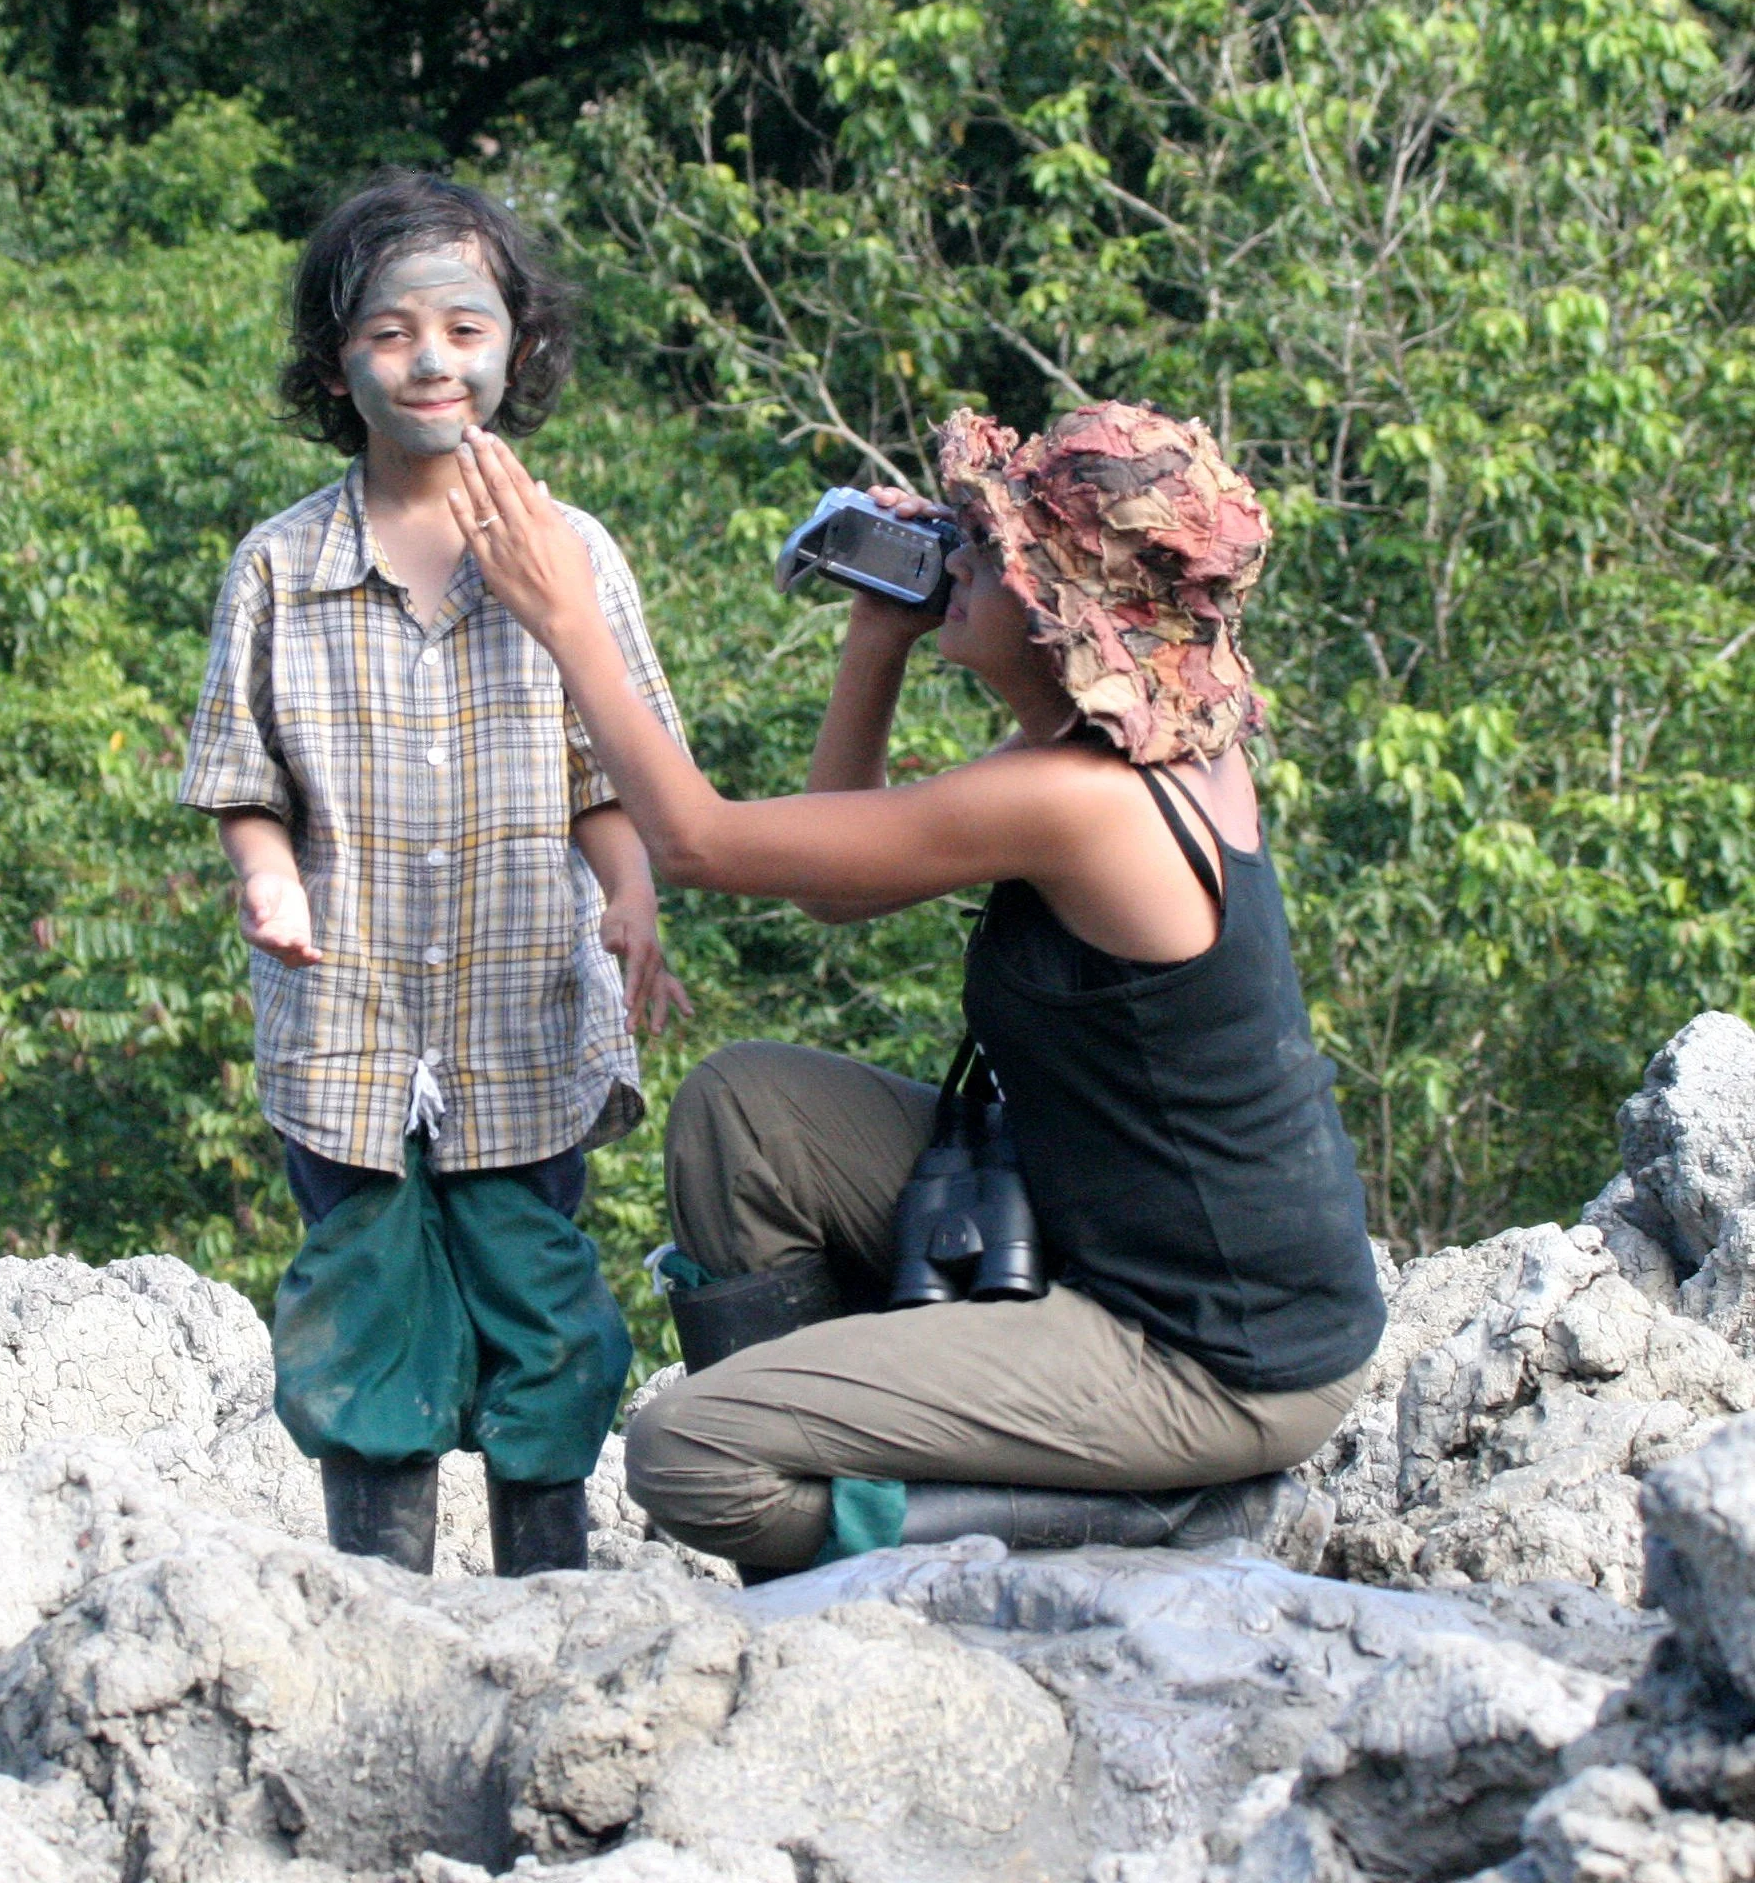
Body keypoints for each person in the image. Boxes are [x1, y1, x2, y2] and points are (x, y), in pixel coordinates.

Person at [443, 400, 1387, 1579]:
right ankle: (857, 1433)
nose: (955, 562)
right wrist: (875, 640)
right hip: (1106, 1232)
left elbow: (693, 843)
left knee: (688, 1452)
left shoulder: (1081, 801)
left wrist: (564, 614)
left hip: (1212, 1352)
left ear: (1060, 615)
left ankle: (1150, 1515)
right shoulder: (1107, 746)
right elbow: (838, 886)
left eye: (985, 551)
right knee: (749, 1111)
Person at [179, 171, 689, 1578]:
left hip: (524, 1019)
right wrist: (267, 879)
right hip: (342, 1029)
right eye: (392, 332)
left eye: (464, 329)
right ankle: (376, 1594)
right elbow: (244, 780)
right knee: (363, 1305)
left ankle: (548, 1591)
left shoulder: (572, 555)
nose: (430, 360)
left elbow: (612, 772)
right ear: (336, 363)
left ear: (518, 348)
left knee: (542, 1300)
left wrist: (633, 899)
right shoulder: (279, 567)